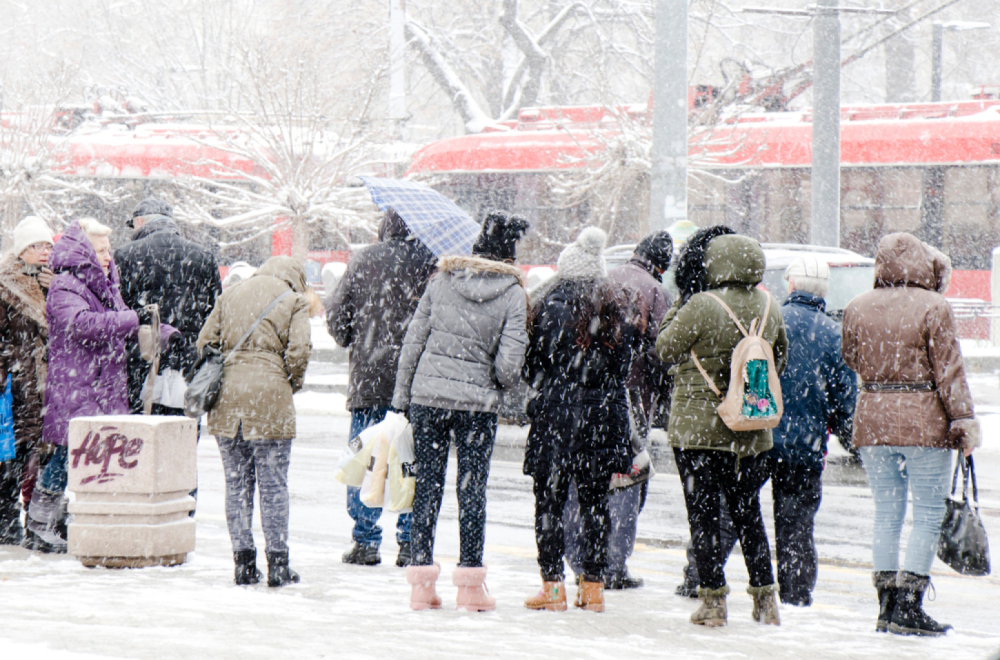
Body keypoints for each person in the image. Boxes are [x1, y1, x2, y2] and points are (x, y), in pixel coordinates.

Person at [842, 233, 979, 636]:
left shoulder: (857, 306)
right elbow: (949, 370)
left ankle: (886, 606)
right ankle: (909, 605)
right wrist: (963, 419)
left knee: (887, 512)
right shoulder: (934, 306)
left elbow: (851, 357)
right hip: (923, 420)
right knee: (929, 513)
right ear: (922, 262)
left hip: (872, 418)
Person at [393, 212, 529, 612]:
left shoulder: (441, 281)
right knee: (472, 491)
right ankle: (470, 587)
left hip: (428, 398)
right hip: (476, 406)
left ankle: (421, 585)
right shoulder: (512, 294)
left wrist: (402, 397)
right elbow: (509, 367)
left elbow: (413, 342)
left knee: (427, 488)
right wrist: (493, 380)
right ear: (508, 255)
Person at [656, 226, 788, 627]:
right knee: (749, 515)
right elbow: (778, 360)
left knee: (704, 517)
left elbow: (664, 348)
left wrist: (680, 301)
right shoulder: (770, 305)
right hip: (751, 429)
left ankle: (713, 602)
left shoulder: (701, 304)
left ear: (713, 263)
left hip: (698, 432)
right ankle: (766, 600)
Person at [25, 218, 176, 553]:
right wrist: (134, 318)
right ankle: (38, 523)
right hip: (77, 385)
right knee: (66, 455)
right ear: (85, 253)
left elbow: (124, 321)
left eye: (109, 249)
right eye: (102, 250)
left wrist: (164, 332)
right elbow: (82, 324)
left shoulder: (104, 285)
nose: (109, 256)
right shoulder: (65, 285)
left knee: (89, 457)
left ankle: (63, 520)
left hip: (100, 385)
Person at [522, 227, 641, 614]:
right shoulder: (615, 306)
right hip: (602, 417)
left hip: (556, 416)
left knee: (550, 503)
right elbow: (623, 368)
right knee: (595, 504)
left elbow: (532, 367)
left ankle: (553, 588)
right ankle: (592, 588)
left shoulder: (548, 304)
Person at [561, 230, 673, 591]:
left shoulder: (607, 278)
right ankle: (613, 563)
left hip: (589, 396)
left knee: (584, 479)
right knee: (627, 478)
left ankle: (581, 559)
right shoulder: (656, 291)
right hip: (631, 399)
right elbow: (662, 350)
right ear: (662, 264)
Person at [326, 209, 437, 568]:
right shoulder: (430, 262)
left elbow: (336, 317)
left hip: (369, 379)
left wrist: (355, 338)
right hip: (415, 381)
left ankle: (365, 539)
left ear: (383, 229)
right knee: (411, 461)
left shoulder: (363, 260)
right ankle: (409, 541)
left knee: (364, 457)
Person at [197, 256, 312, 587]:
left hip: (228, 399)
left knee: (237, 483)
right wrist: (288, 382)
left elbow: (205, 343)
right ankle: (278, 564)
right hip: (270, 397)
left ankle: (243, 564)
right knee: (273, 484)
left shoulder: (231, 294)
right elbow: (299, 351)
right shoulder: (294, 300)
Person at [767, 256, 857, 607]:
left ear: (791, 285)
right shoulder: (833, 333)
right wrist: (847, 435)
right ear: (824, 291)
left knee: (733, 511)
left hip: (761, 435)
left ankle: (703, 576)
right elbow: (845, 398)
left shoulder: (772, 321)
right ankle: (795, 593)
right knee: (797, 525)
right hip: (805, 446)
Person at [115, 198, 222, 416]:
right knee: (183, 428)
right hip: (188, 359)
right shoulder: (203, 255)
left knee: (140, 428)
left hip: (141, 358)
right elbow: (215, 312)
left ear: (140, 221)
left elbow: (119, 309)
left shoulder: (125, 255)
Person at [0, 216, 55, 544]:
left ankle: (36, 522)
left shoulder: (54, 281)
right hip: (16, 384)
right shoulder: (6, 285)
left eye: (48, 245)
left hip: (47, 384)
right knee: (10, 455)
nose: (45, 251)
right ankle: (6, 522)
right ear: (22, 250)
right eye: (37, 245)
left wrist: (54, 289)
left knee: (40, 455)